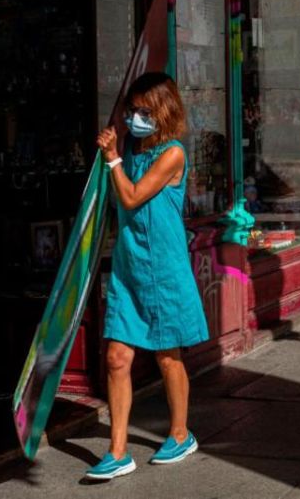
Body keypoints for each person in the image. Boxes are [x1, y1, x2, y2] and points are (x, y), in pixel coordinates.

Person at [88, 72, 209, 480]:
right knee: (116, 358)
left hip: (165, 268)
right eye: (132, 110)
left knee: (167, 356)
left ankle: (180, 433)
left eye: (144, 111)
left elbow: (132, 196)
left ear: (163, 111)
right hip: (129, 266)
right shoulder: (132, 148)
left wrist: (112, 159)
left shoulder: (172, 154)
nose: (136, 118)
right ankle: (118, 450)